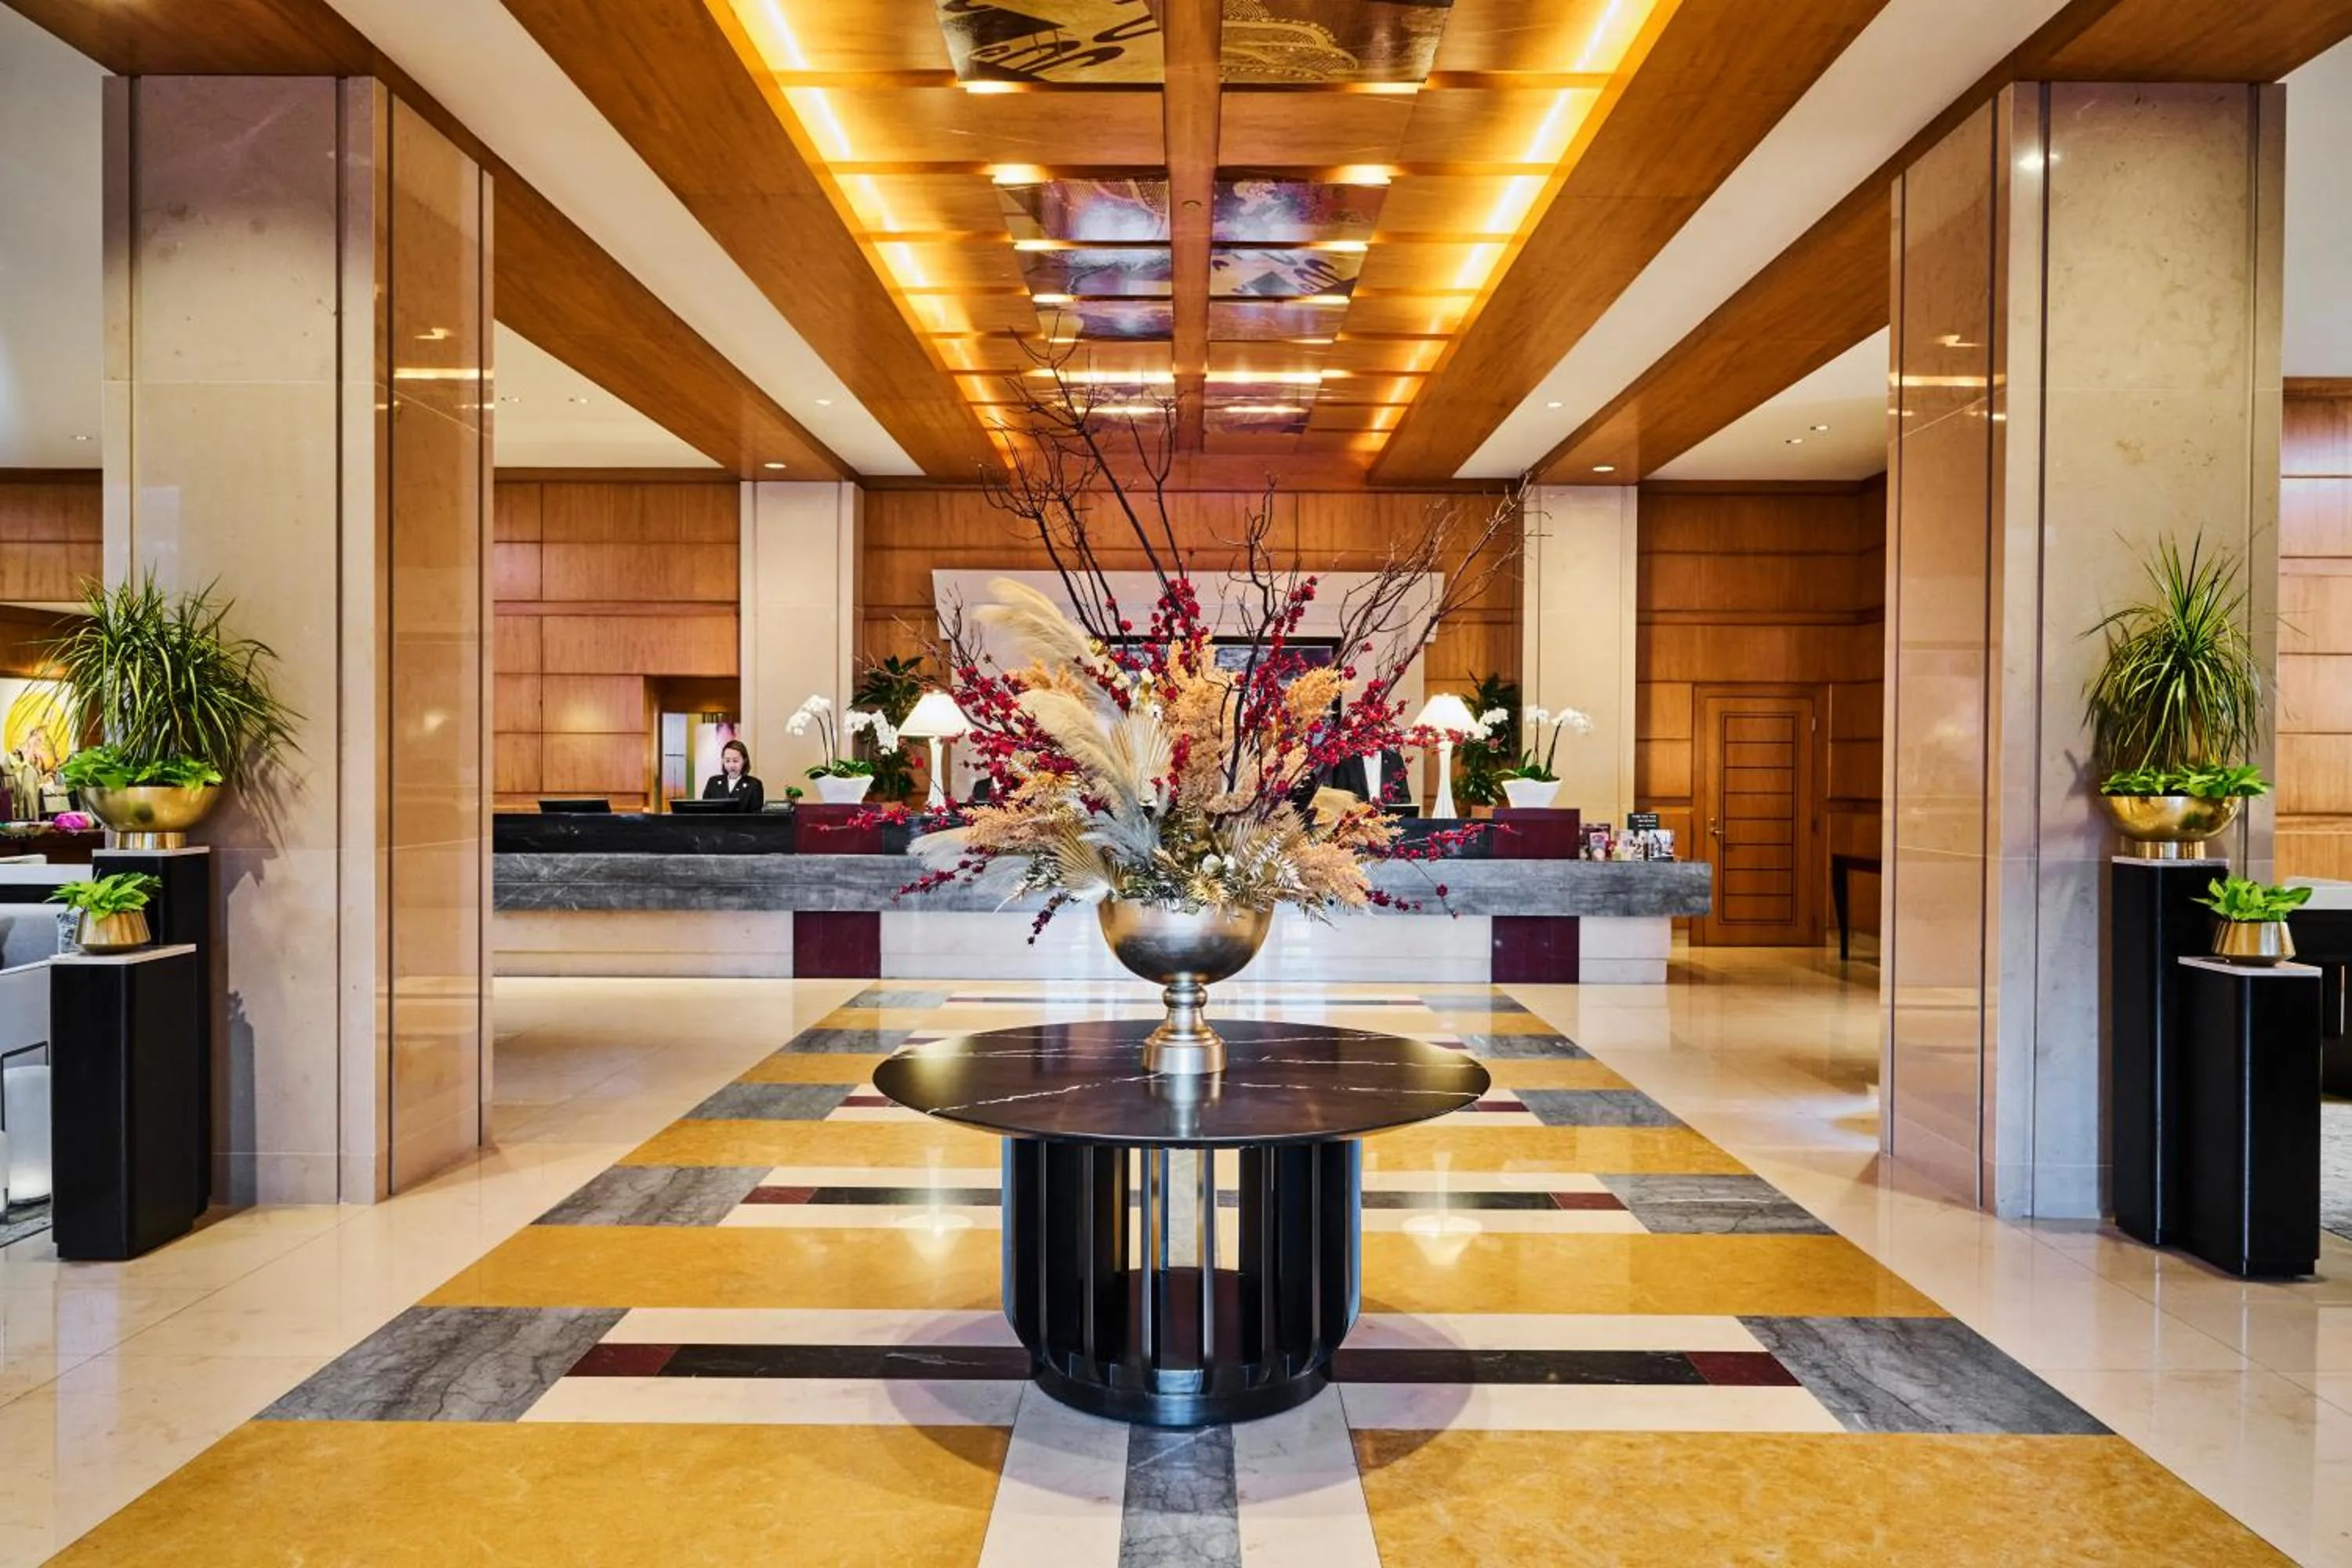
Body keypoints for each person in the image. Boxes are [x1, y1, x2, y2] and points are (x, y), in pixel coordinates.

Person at [701, 739, 764, 811]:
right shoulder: (713, 782)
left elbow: (756, 814)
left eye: (735, 761)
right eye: (727, 761)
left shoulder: (754, 785)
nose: (731, 765)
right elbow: (704, 810)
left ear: (744, 760)